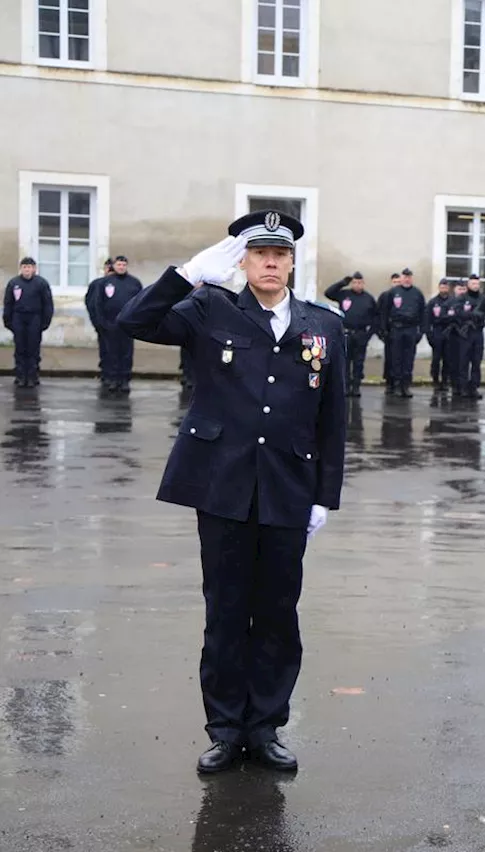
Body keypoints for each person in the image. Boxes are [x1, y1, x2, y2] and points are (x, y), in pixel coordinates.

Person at [116, 210, 346, 774]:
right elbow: (132, 321)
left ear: (293, 261)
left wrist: (323, 496)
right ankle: (224, 729)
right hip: (222, 485)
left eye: (281, 253)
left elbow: (334, 416)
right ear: (241, 260)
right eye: (259, 253)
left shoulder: (325, 324)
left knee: (276, 614)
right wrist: (188, 273)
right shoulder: (208, 308)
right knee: (225, 612)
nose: (271, 262)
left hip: (289, 489)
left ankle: (265, 727)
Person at [85, 256, 144, 393]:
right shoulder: (105, 283)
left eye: (124, 264)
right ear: (114, 266)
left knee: (126, 353)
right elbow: (97, 303)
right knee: (111, 353)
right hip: (110, 324)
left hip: (128, 325)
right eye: (119, 264)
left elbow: (140, 303)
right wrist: (101, 322)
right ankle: (112, 379)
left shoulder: (134, 283)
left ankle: (124, 380)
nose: (121, 267)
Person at [324, 272, 378, 397]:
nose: (357, 285)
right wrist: (342, 283)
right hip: (346, 333)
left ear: (363, 284)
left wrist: (369, 334)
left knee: (359, 362)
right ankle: (346, 386)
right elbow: (328, 293)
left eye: (360, 282)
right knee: (345, 362)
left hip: (361, 334)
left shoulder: (368, 298)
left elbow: (376, 317)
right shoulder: (344, 294)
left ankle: (356, 386)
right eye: (354, 282)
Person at [3, 257, 55, 388]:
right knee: (20, 348)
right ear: (21, 268)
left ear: (34, 269)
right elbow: (8, 303)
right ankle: (20, 376)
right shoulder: (14, 283)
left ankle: (32, 376)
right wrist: (7, 320)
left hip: (34, 318)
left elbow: (47, 304)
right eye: (24, 267)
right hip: (18, 317)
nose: (27, 270)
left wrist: (45, 321)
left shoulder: (41, 283)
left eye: (29, 267)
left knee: (33, 348)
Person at [381, 269, 428, 398]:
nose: (407, 279)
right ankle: (396, 385)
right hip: (396, 329)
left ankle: (405, 385)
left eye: (409, 277)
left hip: (411, 329)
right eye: (405, 277)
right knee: (396, 358)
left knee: (408, 358)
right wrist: (385, 329)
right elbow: (385, 311)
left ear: (411, 278)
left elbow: (423, 313)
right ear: (401, 278)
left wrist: (421, 331)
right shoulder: (393, 292)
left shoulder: (417, 293)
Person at [450, 274, 485, 399]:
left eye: (477, 284)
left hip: (478, 332)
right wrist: (472, 315)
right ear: (468, 285)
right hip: (466, 333)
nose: (475, 286)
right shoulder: (462, 298)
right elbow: (457, 313)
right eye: (473, 284)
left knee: (476, 361)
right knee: (463, 361)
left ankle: (473, 387)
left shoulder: (482, 298)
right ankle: (462, 387)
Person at [85, 259, 114, 382]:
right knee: (105, 349)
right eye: (109, 268)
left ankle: (115, 375)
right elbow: (91, 303)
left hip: (119, 324)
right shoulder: (97, 284)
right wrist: (96, 322)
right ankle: (106, 373)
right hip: (102, 323)